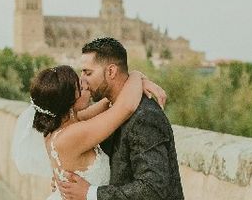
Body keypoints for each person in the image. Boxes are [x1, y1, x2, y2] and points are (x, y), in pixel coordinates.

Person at [12, 61, 166, 200]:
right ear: (70, 100)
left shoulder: (63, 125)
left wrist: (134, 82)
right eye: (80, 86)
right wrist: (135, 74)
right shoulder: (73, 134)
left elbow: (108, 101)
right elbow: (126, 106)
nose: (86, 86)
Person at [57, 37, 184, 200]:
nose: (82, 81)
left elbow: (153, 188)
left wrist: (91, 193)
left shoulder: (145, 116)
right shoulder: (110, 110)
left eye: (88, 72)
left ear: (111, 71)